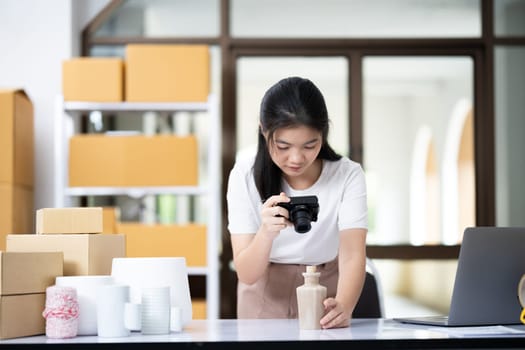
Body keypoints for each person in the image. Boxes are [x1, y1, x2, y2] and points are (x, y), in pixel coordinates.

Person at [226, 76, 368, 329]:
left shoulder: (347, 175)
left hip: (327, 288)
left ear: (323, 134)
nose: (296, 158)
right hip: (263, 290)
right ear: (263, 130)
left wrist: (344, 305)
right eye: (283, 146)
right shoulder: (244, 175)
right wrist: (266, 233)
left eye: (309, 145)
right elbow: (247, 273)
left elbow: (352, 255)